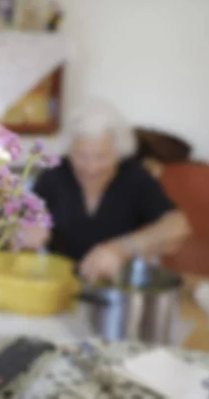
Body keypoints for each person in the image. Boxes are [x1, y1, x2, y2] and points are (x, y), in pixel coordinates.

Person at [25, 100, 191, 282]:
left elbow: (178, 226)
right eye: (81, 156)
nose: (91, 168)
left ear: (118, 151)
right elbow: (20, 218)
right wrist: (23, 228)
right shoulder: (54, 175)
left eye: (102, 156)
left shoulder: (134, 177)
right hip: (59, 282)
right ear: (69, 151)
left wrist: (123, 248)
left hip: (115, 284)